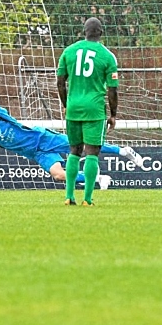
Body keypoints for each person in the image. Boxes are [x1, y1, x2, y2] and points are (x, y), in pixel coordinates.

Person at [0, 91, 142, 196]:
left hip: (44, 138)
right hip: (38, 154)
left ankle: (123, 151)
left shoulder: (2, 117)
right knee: (59, 176)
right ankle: (99, 179)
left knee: (85, 147)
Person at [56, 17, 119, 207]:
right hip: (94, 109)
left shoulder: (69, 51)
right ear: (101, 32)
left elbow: (60, 82)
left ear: (84, 31)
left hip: (73, 108)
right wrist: (113, 114)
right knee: (92, 153)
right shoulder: (107, 56)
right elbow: (112, 90)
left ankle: (69, 196)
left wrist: (66, 104)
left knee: (74, 151)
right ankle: (88, 199)